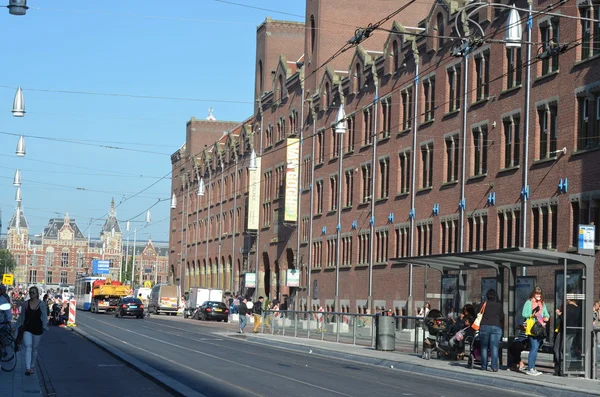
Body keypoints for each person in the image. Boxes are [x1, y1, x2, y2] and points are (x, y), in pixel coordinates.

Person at [15, 286, 48, 376]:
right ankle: (28, 368)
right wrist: (16, 326)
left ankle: (32, 366)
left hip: (37, 329)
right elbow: (21, 317)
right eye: (30, 292)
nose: (31, 294)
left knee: (34, 349)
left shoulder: (41, 304)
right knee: (28, 347)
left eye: (33, 292)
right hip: (27, 329)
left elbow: (44, 317)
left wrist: (44, 327)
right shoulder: (25, 304)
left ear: (37, 294)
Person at [522, 286, 550, 376]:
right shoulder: (529, 302)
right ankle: (530, 368)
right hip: (532, 327)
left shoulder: (542, 303)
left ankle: (533, 367)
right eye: (537, 293)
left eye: (539, 294)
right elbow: (524, 313)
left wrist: (546, 317)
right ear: (533, 293)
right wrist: (531, 314)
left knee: (536, 348)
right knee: (534, 347)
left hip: (540, 327)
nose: (538, 295)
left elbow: (546, 314)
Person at [553, 294, 582, 376]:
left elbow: (565, 320)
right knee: (567, 350)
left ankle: (561, 368)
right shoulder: (578, 308)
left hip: (564, 331)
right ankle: (566, 368)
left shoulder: (567, 307)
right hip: (573, 332)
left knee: (558, 349)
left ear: (569, 299)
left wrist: (559, 314)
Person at [479, 289, 503, 372]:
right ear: (495, 296)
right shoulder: (499, 306)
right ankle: (494, 367)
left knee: (484, 347)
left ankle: (484, 366)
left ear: (487, 296)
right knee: (494, 347)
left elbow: (477, 314)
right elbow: (501, 317)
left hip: (484, 326)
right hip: (496, 327)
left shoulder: (483, 305)